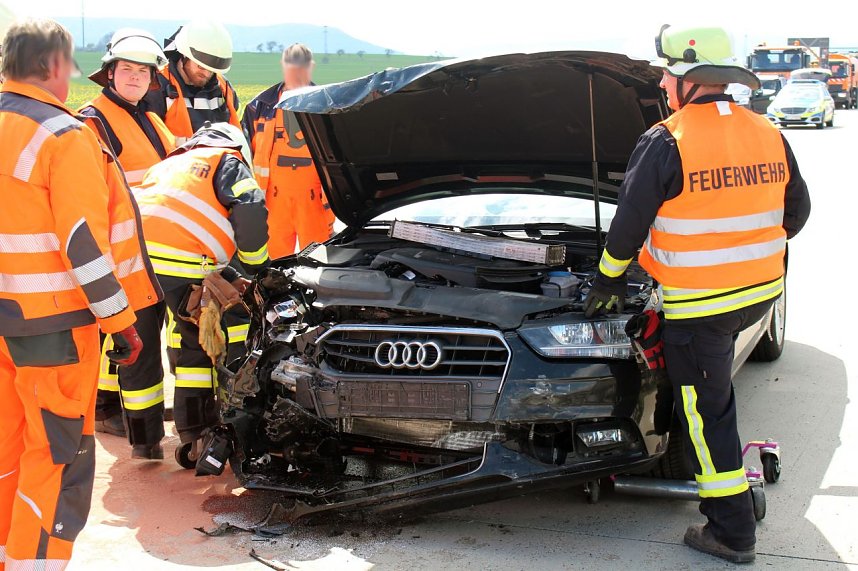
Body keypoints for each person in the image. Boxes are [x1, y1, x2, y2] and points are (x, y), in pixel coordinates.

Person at [584, 25, 811, 563]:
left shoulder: (668, 138)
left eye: (666, 73)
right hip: (757, 296)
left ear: (689, 79)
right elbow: (795, 213)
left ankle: (731, 532)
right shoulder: (768, 132)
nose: (661, 83)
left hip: (702, 307)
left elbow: (627, 229)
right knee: (716, 404)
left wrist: (607, 281)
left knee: (706, 416)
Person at [0, 19, 146, 569]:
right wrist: (121, 323)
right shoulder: (62, 136)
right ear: (56, 67)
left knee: (6, 448)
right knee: (57, 455)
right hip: (54, 330)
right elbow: (83, 246)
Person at [134, 122, 269, 463]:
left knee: (140, 348)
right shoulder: (227, 160)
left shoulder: (167, 164)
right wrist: (258, 267)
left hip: (133, 261)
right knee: (196, 346)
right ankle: (195, 436)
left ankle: (144, 441)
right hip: (183, 263)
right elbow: (251, 210)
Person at [78, 28, 176, 457]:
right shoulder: (92, 121)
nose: (135, 77)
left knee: (148, 343)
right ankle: (143, 440)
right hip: (121, 255)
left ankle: (138, 422)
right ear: (110, 72)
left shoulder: (152, 120)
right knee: (135, 344)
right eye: (127, 69)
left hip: (156, 252)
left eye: (143, 71)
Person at [241, 43, 334, 259]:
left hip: (315, 203)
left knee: (319, 263)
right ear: (283, 66)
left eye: (302, 67)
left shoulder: (326, 106)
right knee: (275, 265)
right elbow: (244, 155)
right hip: (272, 202)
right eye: (293, 67)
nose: (297, 72)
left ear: (311, 67)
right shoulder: (260, 106)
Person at [144, 20, 239, 145]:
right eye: (200, 66)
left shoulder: (223, 87)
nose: (206, 73)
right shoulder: (157, 86)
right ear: (184, 55)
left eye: (212, 70)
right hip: (175, 163)